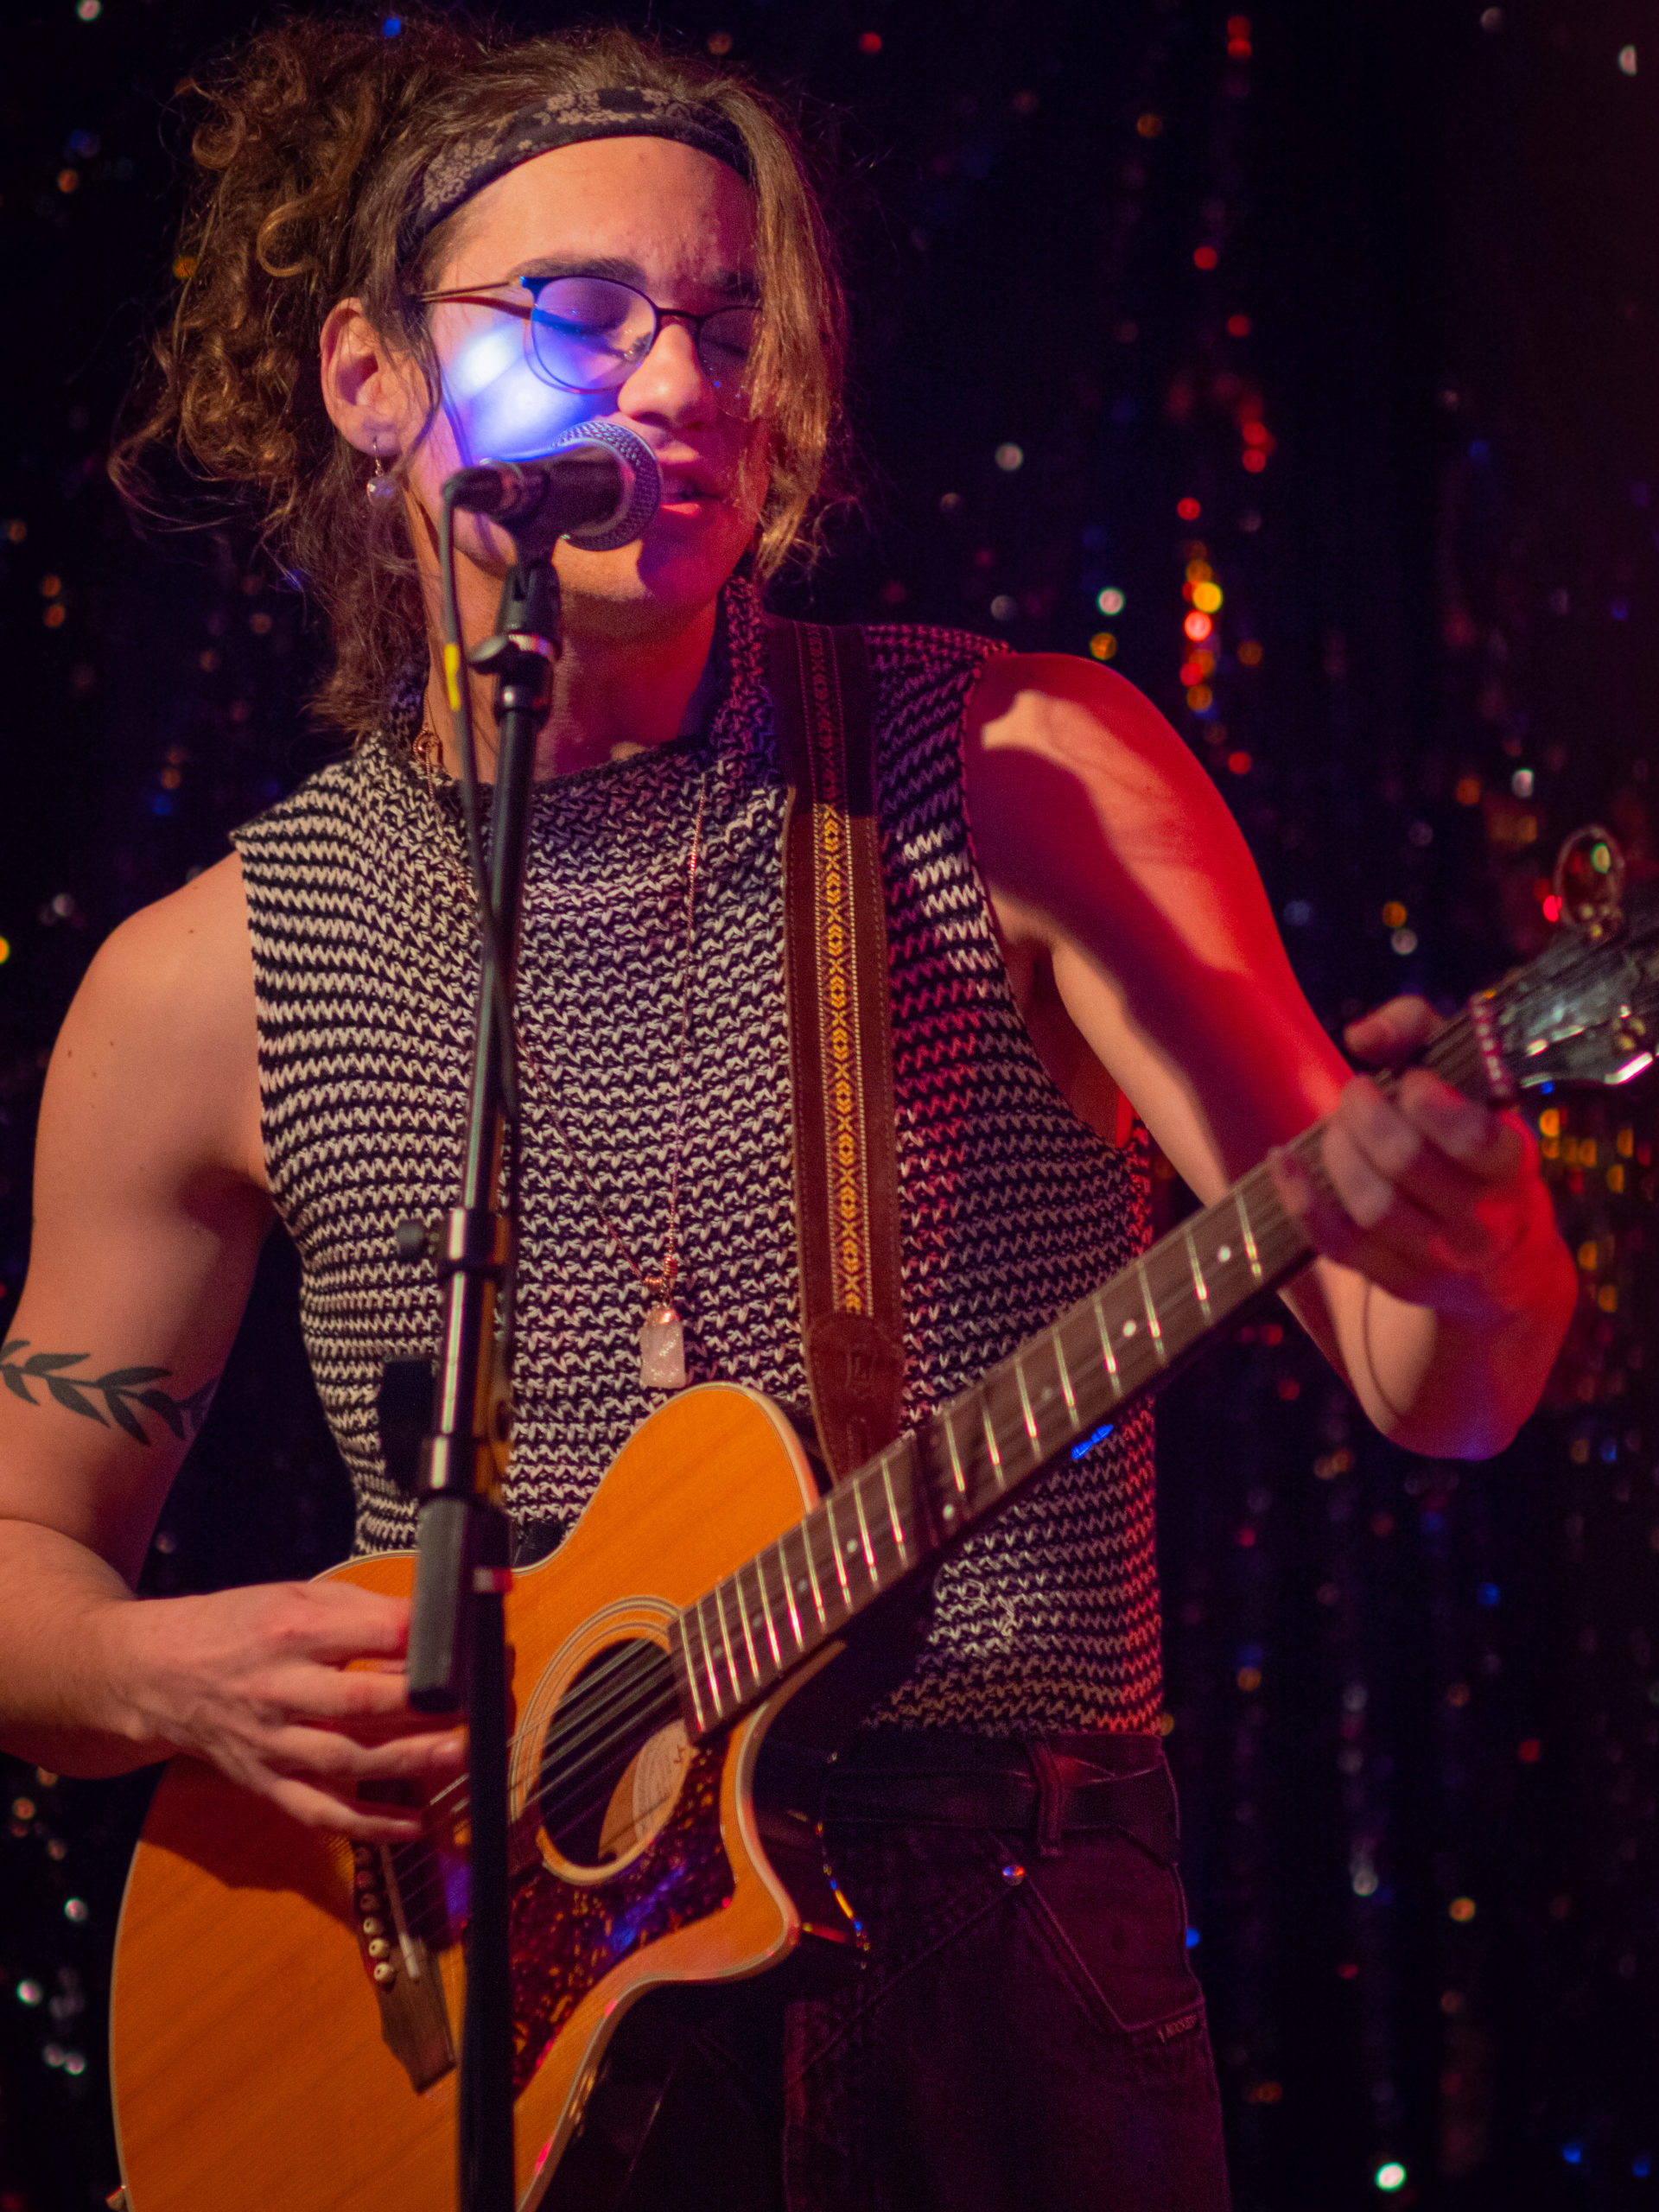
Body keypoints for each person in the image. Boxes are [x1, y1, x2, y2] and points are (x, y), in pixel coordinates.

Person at [0, 18, 1574, 2210]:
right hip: (477, 2038)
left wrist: (1473, 1242)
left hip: (1006, 1991)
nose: (677, 384)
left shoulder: (1013, 772)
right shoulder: (213, 977)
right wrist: (176, 1673)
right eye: (581, 314)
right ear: (369, 375)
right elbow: (23, 1564)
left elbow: (1437, 1389)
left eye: (727, 325)